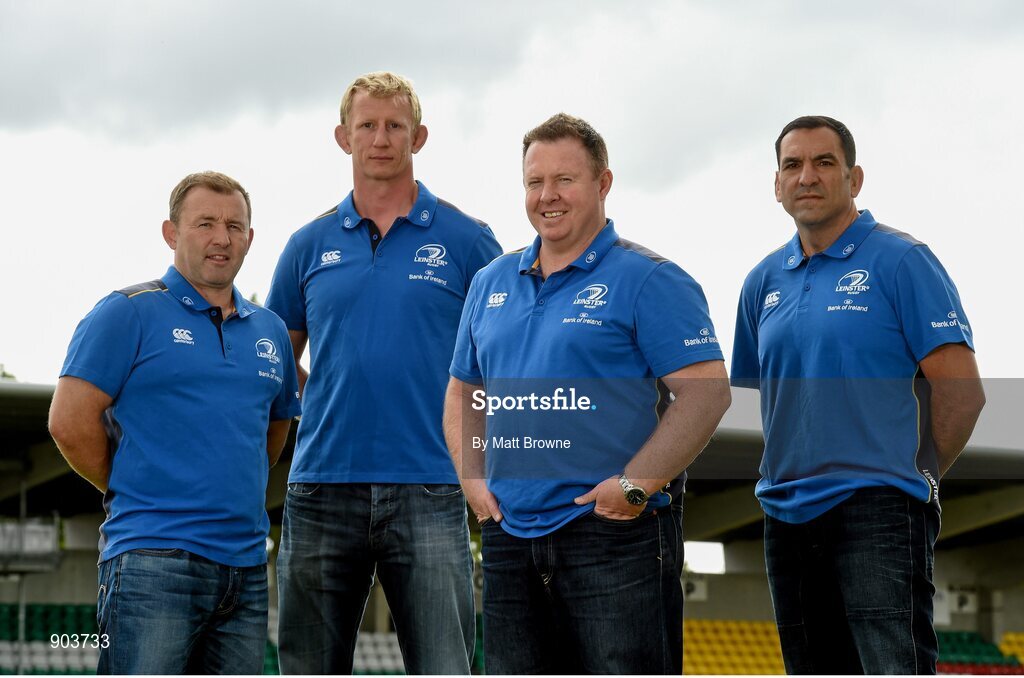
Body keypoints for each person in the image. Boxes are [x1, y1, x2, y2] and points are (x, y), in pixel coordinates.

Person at [444, 113, 731, 674]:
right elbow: (462, 392)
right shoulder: (490, 282)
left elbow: (706, 394)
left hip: (612, 536)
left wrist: (634, 486)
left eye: (565, 180)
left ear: (603, 183)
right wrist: (472, 480)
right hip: (509, 537)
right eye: (534, 182)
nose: (547, 196)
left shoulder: (650, 278)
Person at [731, 115, 986, 674]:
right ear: (776, 184)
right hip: (786, 517)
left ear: (855, 178)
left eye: (825, 163)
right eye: (792, 165)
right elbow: (759, 402)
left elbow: (962, 394)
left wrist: (912, 475)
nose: (807, 177)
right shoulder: (761, 282)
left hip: (878, 509)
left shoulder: (902, 261)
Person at [266, 71, 502, 674]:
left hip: (432, 483)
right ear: (343, 137)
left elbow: (506, 358)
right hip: (321, 485)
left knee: (445, 666)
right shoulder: (306, 245)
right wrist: (323, 403)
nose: (380, 138)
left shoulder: (469, 241)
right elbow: (272, 361)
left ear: (418, 137)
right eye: (366, 125)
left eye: (394, 125)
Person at [48, 171, 301, 674]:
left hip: (246, 570)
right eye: (205, 223)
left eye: (234, 225)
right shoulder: (127, 312)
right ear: (171, 232)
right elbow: (68, 422)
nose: (221, 237)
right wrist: (137, 484)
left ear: (250, 237)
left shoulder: (270, 330)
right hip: (152, 562)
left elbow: (271, 435)